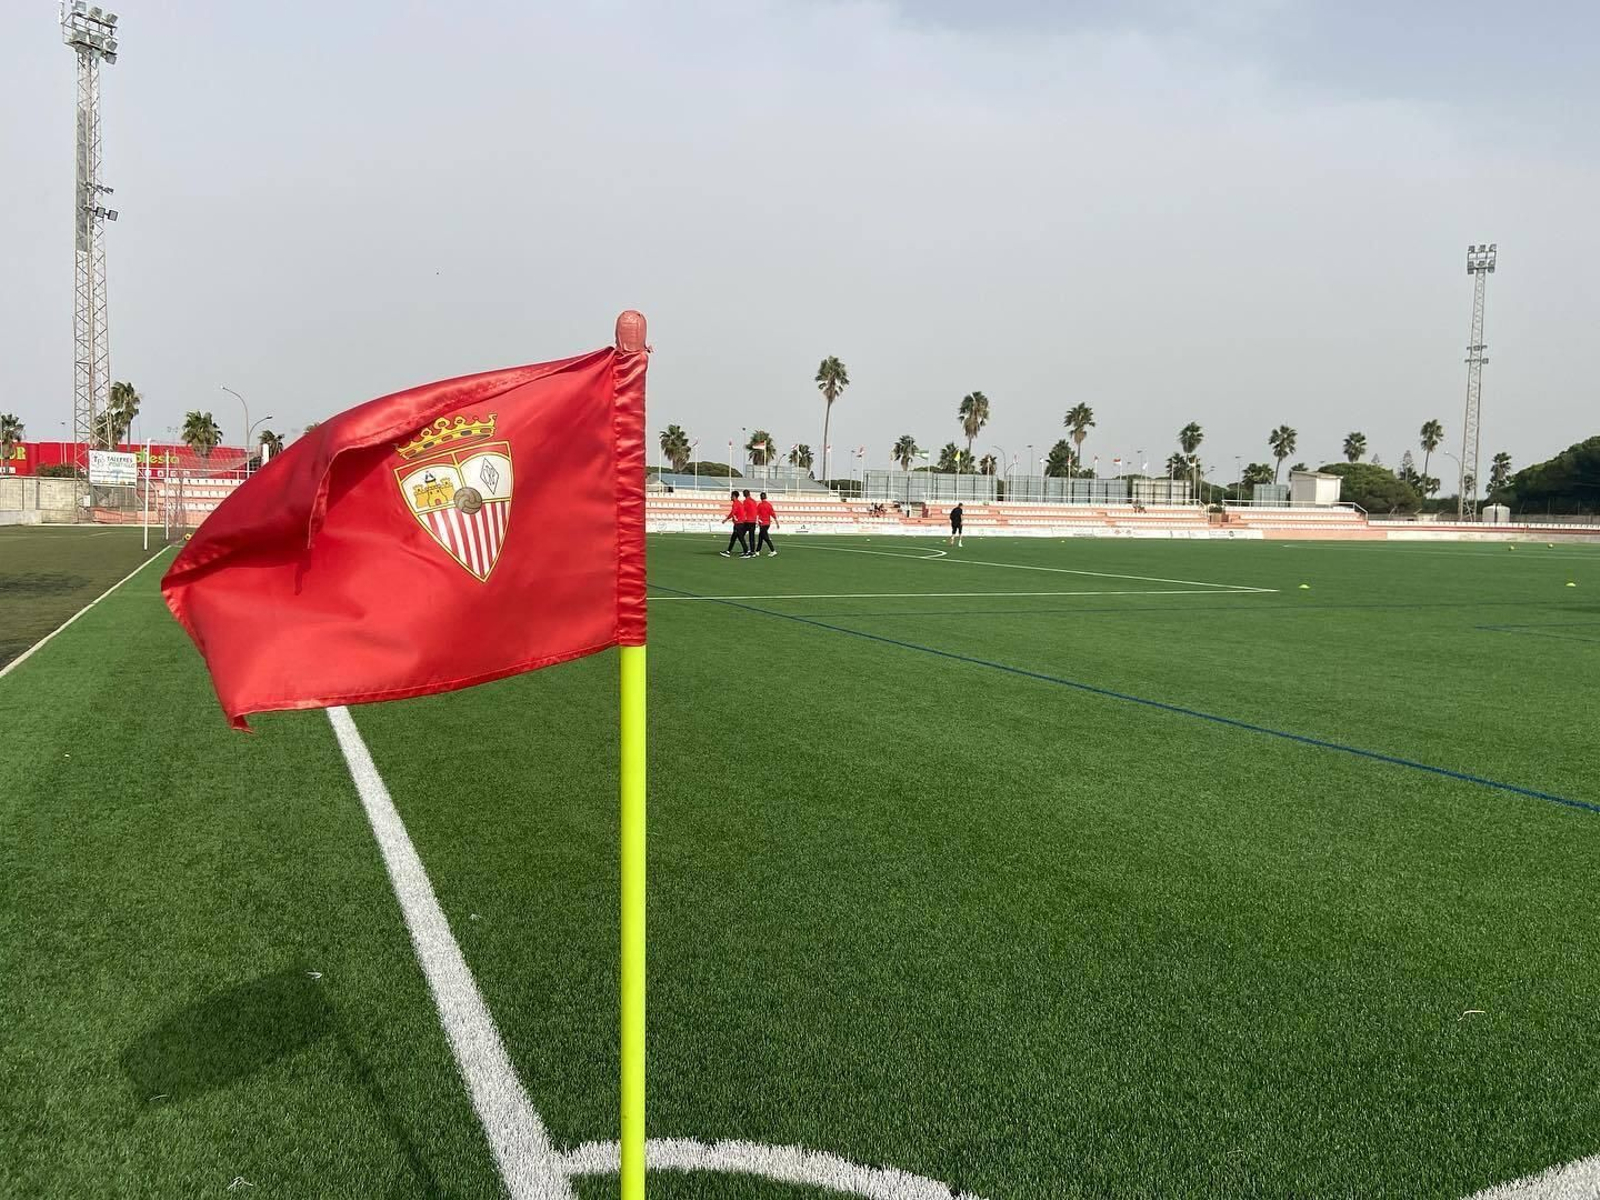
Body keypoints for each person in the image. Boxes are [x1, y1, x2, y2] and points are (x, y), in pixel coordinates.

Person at [720, 489, 749, 558]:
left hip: (738, 524)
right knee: (734, 538)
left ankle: (746, 552)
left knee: (740, 538)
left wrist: (726, 519)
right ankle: (728, 551)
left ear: (734, 496)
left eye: (731, 496)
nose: (731, 497)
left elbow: (732, 512)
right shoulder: (739, 503)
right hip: (741, 523)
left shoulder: (735, 503)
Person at [754, 492, 778, 556]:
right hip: (767, 524)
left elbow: (757, 514)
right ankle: (757, 551)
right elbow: (773, 514)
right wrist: (777, 522)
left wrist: (756, 522)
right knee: (760, 537)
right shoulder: (769, 505)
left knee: (765, 538)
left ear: (760, 497)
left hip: (762, 524)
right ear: (766, 497)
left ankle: (773, 550)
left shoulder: (760, 505)